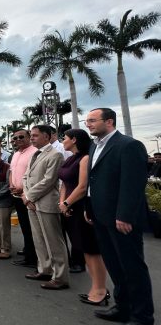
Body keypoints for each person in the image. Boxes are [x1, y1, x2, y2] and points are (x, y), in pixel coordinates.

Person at [86, 108, 156, 325]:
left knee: (132, 267)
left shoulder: (128, 145)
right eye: (87, 121)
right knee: (114, 265)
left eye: (93, 121)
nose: (89, 124)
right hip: (101, 216)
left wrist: (125, 215)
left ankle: (143, 321)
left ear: (109, 121)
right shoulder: (95, 145)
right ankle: (123, 307)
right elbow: (93, 182)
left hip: (121, 219)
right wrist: (89, 208)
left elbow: (133, 183)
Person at [58, 129, 109, 305]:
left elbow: (82, 187)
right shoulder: (70, 158)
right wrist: (62, 203)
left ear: (74, 139)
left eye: (64, 138)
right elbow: (65, 183)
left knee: (91, 250)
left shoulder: (85, 158)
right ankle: (96, 288)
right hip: (68, 207)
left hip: (81, 208)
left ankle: (100, 290)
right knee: (85, 249)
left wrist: (66, 204)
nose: (62, 140)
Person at [22, 125, 68, 290]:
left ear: (47, 137)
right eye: (31, 135)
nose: (32, 138)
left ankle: (60, 277)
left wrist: (29, 196)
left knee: (53, 241)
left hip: (46, 203)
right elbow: (26, 176)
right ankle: (45, 269)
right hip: (32, 203)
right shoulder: (35, 153)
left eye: (35, 135)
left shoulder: (55, 155)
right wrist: (26, 196)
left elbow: (49, 181)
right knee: (39, 239)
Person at [9, 129, 38, 268]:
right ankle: (28, 254)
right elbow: (12, 172)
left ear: (29, 138)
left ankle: (33, 259)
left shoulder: (34, 152)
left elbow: (35, 176)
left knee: (32, 229)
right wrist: (11, 184)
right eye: (15, 138)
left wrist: (23, 189)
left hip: (29, 196)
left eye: (21, 137)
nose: (17, 139)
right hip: (16, 196)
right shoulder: (15, 154)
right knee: (25, 228)